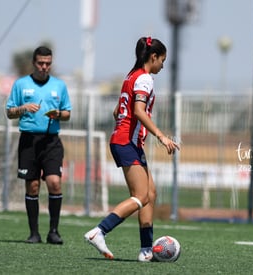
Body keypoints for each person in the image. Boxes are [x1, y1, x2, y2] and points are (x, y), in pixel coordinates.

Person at [84, 36, 179, 261]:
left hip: (127, 142)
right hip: (126, 142)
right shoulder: (144, 78)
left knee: (150, 194)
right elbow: (138, 110)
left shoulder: (131, 76)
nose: (163, 66)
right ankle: (99, 231)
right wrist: (161, 136)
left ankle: (146, 250)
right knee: (140, 196)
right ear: (153, 57)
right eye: (162, 60)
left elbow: (118, 111)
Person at [5, 46, 72, 245]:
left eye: (48, 64)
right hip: (28, 141)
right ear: (34, 63)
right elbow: (9, 112)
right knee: (33, 186)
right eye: (41, 63)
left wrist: (57, 114)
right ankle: (34, 233)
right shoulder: (21, 84)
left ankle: (54, 231)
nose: (44, 67)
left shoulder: (59, 86)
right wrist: (23, 108)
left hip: (51, 142)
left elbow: (67, 113)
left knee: (54, 183)